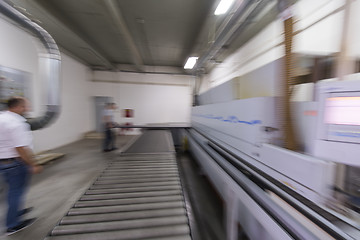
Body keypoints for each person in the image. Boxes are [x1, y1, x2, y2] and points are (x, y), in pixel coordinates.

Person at [0, 96, 42, 235]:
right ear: (17, 107)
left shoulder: (2, 118)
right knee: (16, 192)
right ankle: (12, 224)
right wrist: (33, 164)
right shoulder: (17, 123)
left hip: (3, 162)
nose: (27, 109)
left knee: (13, 190)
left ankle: (16, 211)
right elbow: (21, 148)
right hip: (15, 163)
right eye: (25, 106)